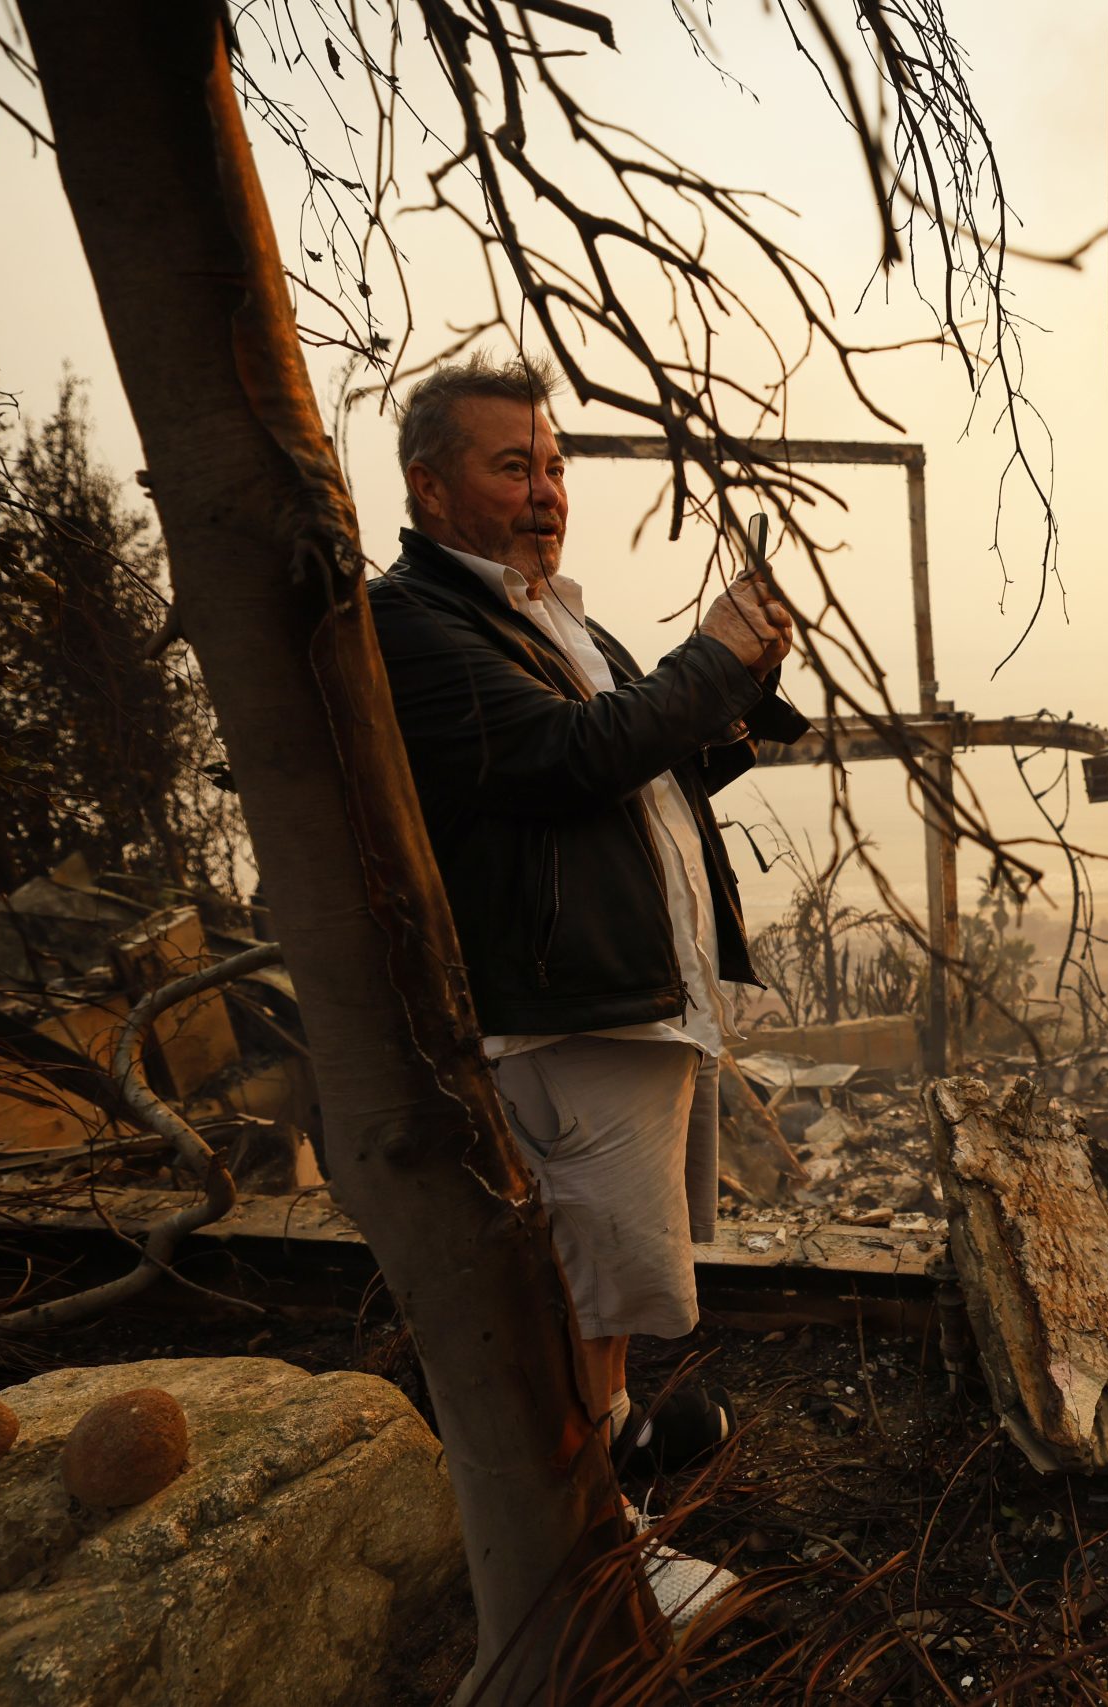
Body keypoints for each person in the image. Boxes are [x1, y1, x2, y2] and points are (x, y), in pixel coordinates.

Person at [367, 353, 804, 1507]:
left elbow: (630, 777)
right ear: (429, 489)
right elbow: (572, 759)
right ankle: (586, 1542)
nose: (548, 492)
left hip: (630, 1006)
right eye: (513, 467)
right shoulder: (410, 624)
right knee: (579, 1293)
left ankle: (607, 1469)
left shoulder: (554, 619)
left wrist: (740, 693)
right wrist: (708, 659)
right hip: (565, 1017)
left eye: (553, 466)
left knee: (605, 1292)